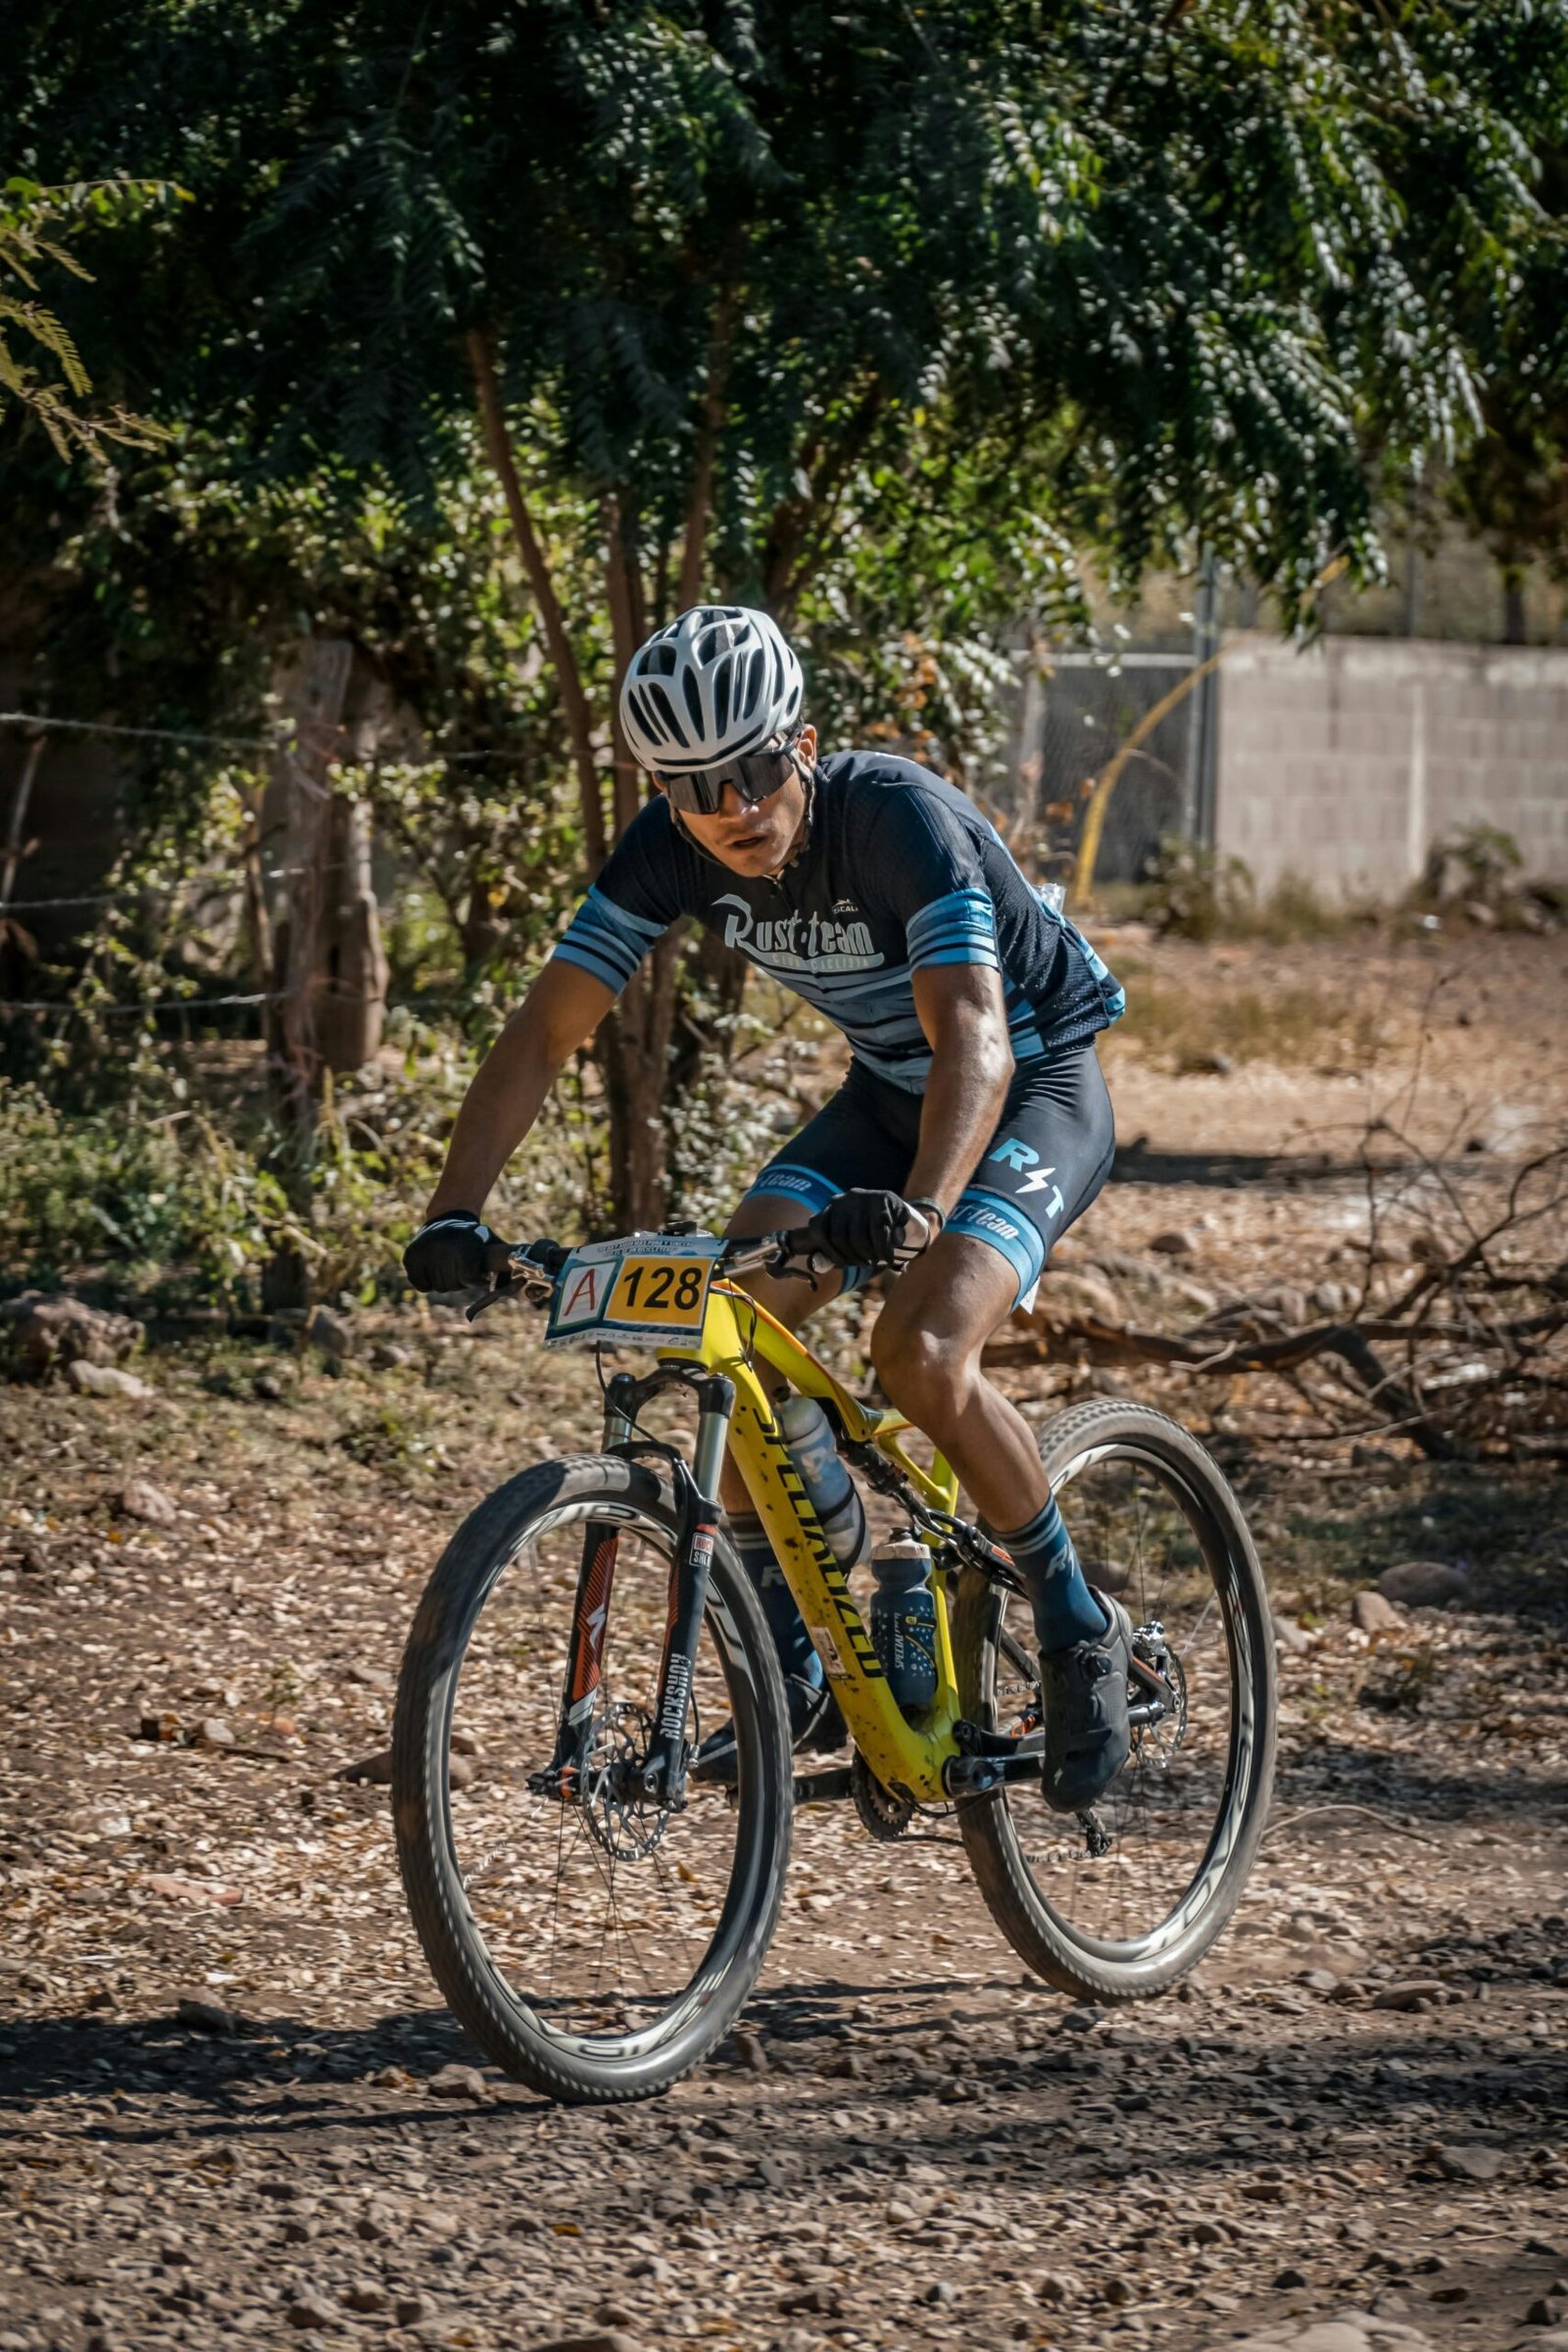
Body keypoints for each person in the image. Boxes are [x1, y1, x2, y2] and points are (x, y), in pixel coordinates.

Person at [404, 605, 1130, 1813]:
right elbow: (545, 1030)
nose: (729, 807)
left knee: (922, 1348)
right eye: (692, 788)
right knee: (725, 1316)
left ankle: (1071, 1614)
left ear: (798, 742)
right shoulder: (672, 847)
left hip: (1032, 1080)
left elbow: (978, 1042)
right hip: (892, 1095)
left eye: (747, 770)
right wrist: (453, 1213)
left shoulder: (896, 817)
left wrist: (917, 1213)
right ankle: (800, 1647)